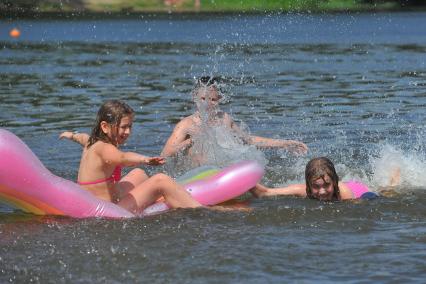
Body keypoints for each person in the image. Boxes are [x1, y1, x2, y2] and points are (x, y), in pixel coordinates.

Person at [59, 100, 201, 214]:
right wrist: (144, 160)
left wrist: (71, 135)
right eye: (123, 127)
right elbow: (122, 157)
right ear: (105, 127)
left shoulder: (93, 142)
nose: (127, 132)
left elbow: (82, 137)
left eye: (130, 127)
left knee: (138, 173)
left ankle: (155, 195)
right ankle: (202, 210)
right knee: (160, 180)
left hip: (97, 201)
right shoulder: (105, 148)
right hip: (107, 212)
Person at [161, 76, 308, 162]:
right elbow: (165, 154)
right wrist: (190, 141)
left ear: (219, 99)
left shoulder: (224, 119)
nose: (207, 104)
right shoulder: (186, 125)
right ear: (195, 98)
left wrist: (284, 143)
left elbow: (247, 140)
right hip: (196, 175)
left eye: (212, 99)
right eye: (203, 98)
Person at [250, 157, 399, 201]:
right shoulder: (303, 190)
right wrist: (245, 182)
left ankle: (393, 180)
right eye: (316, 186)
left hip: (359, 192)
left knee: (382, 194)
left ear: (334, 183)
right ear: (308, 186)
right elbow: (264, 192)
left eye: (326, 185)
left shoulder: (345, 195)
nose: (321, 191)